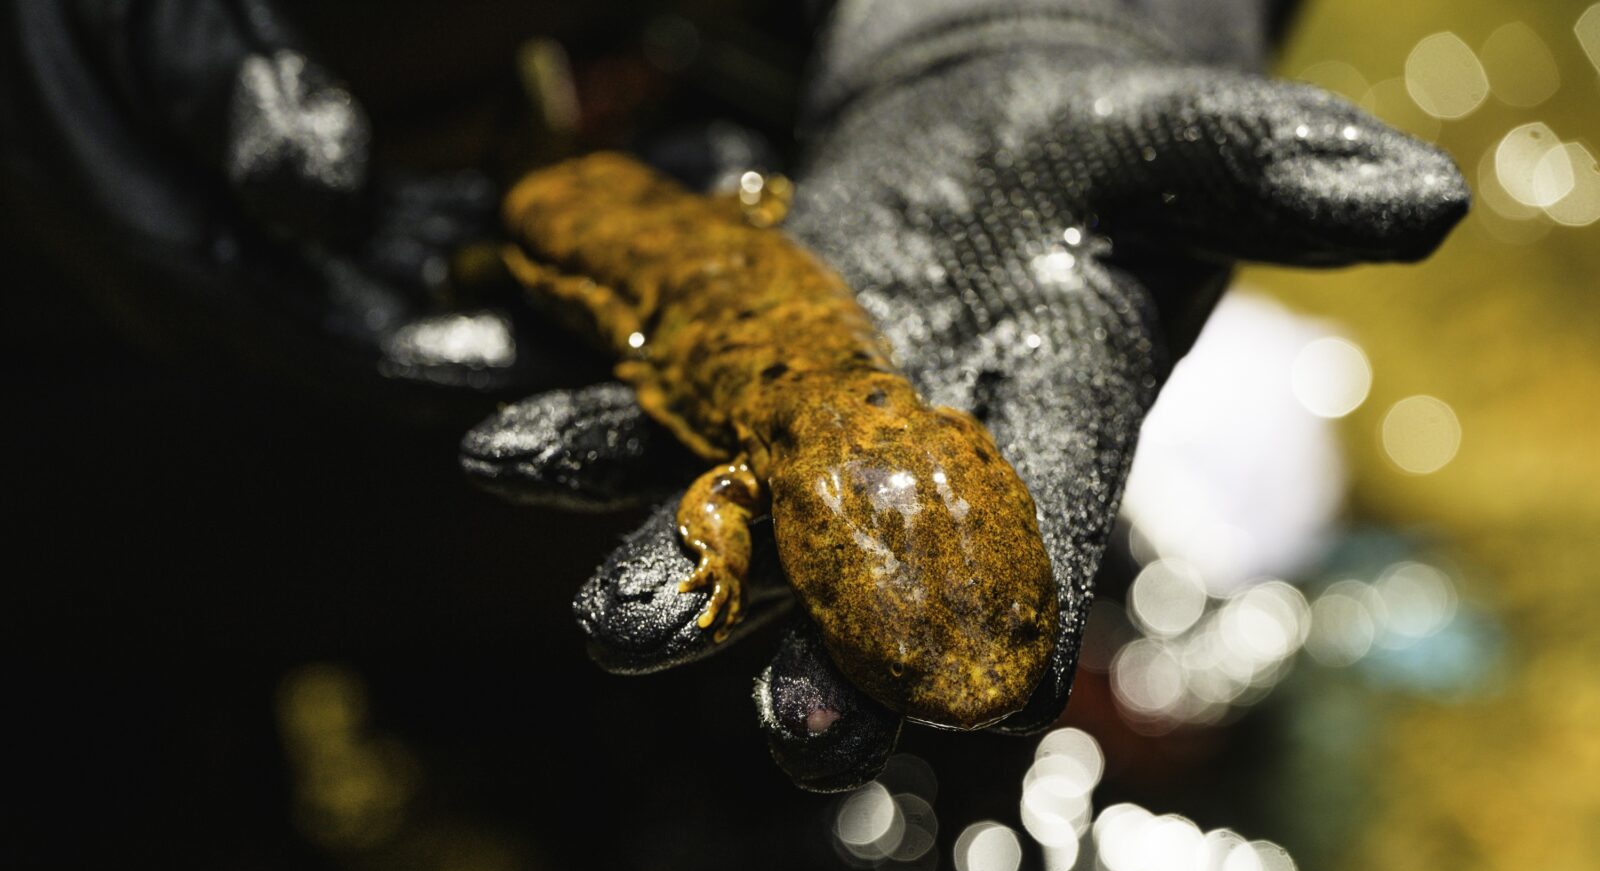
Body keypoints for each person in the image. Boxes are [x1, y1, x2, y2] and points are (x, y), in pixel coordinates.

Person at [1, 0, 1467, 790]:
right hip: (123, 312)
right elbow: (718, 495)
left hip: (715, 108)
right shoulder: (764, 475)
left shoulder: (849, 440)